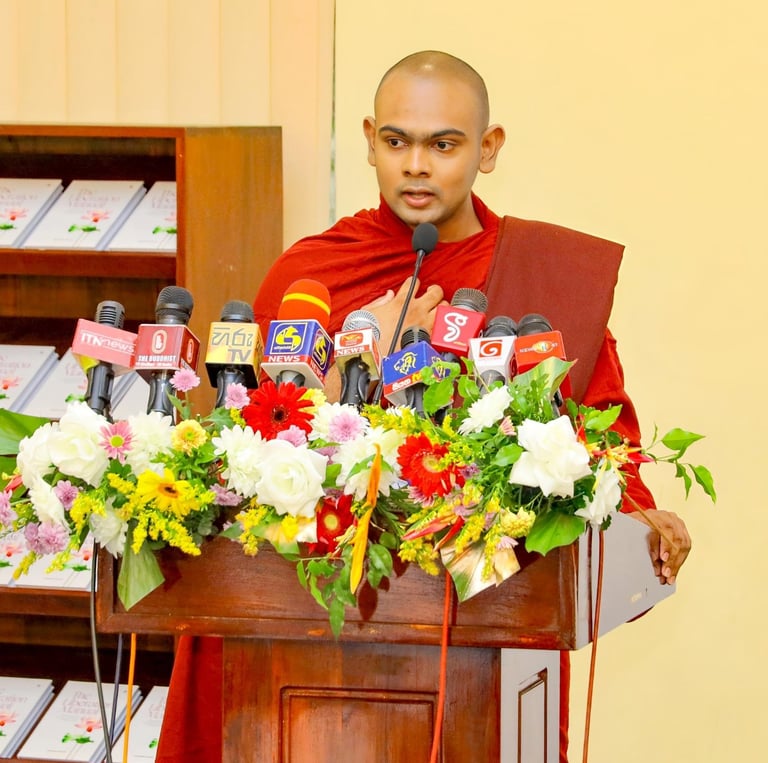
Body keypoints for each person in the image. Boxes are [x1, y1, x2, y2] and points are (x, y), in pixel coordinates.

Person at [157, 50, 691, 762]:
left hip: (486, 627)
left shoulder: (545, 278)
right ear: (372, 138)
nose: (417, 165)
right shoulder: (313, 273)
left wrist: (639, 515)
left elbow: (605, 442)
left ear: (488, 148)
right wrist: (363, 353)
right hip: (311, 645)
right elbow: (247, 445)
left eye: (444, 144)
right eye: (397, 141)